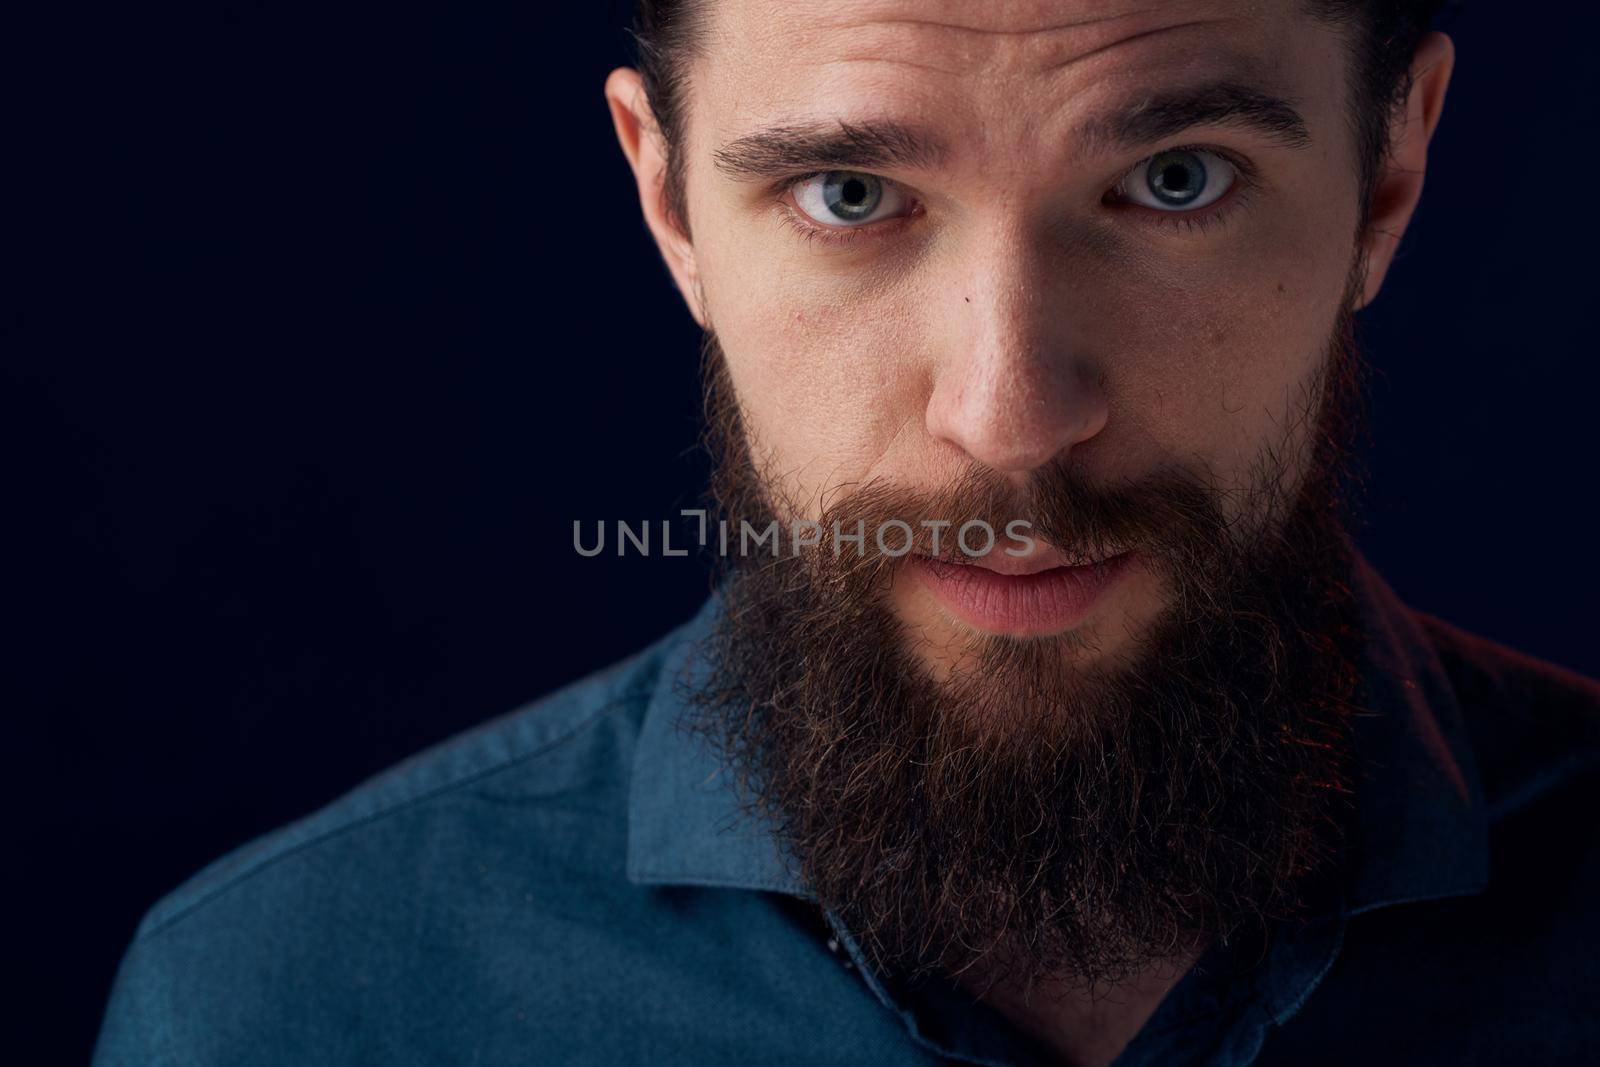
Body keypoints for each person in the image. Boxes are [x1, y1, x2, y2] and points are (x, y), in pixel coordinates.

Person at [95, 3, 1600, 1064]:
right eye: (850, 192)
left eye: (1174, 181)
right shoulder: (284, 1009)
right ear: (669, 201)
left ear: (1389, 174)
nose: (1008, 414)